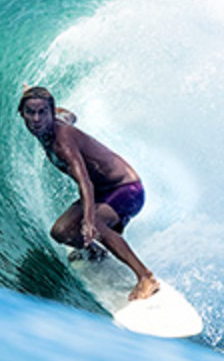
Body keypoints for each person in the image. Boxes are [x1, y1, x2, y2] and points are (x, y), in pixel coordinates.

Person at [17, 86, 160, 300]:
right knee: (61, 232)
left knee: (95, 224)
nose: (36, 119)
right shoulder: (54, 121)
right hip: (104, 191)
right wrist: (33, 95)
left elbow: (85, 181)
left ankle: (145, 277)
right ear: (22, 113)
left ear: (50, 111)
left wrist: (89, 221)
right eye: (30, 112)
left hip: (127, 190)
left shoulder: (62, 142)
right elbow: (70, 115)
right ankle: (95, 251)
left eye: (42, 112)